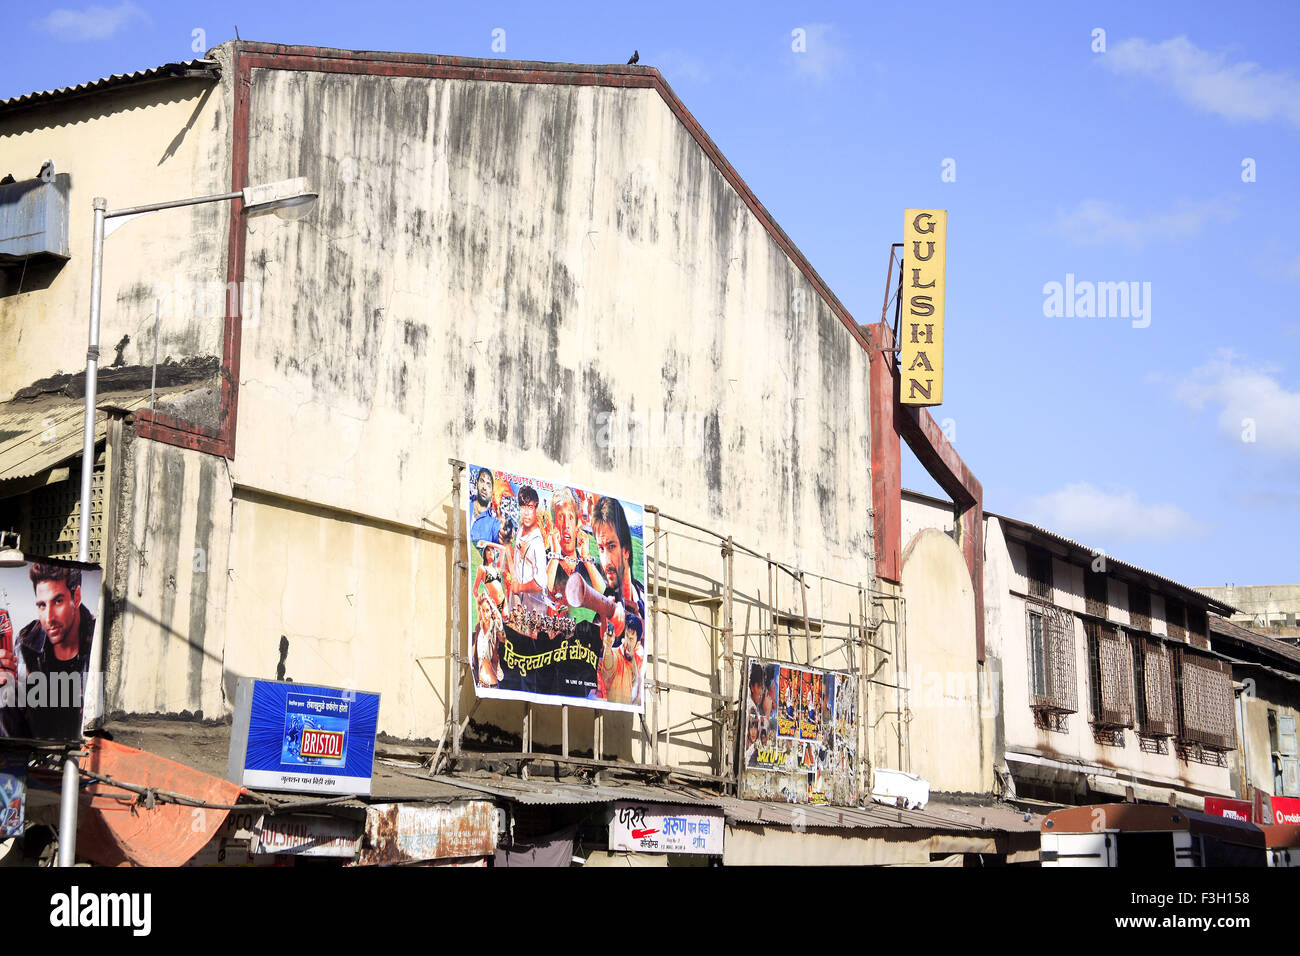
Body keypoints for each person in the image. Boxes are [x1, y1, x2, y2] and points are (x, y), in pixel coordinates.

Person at [0, 563, 95, 740]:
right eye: (42, 605)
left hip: (87, 749)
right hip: (38, 749)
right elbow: (17, 714)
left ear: (76, 597)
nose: (49, 618)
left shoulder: (100, 637)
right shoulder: (27, 641)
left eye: (58, 601)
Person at [591, 496, 644, 705]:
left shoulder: (642, 595)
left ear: (626, 550)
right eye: (601, 549)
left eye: (611, 546)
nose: (605, 561)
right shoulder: (604, 606)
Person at [510, 486, 548, 615]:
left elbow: (541, 582)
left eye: (530, 507)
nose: (526, 513)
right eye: (523, 507)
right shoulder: (521, 529)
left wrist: (519, 587)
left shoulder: (537, 543)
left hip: (535, 608)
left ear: (535, 508)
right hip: (518, 603)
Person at [469, 467, 500, 561]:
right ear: (476, 483)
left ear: (492, 493)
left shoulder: (494, 524)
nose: (484, 487)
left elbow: (500, 546)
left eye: (488, 484)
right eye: (482, 481)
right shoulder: (466, 507)